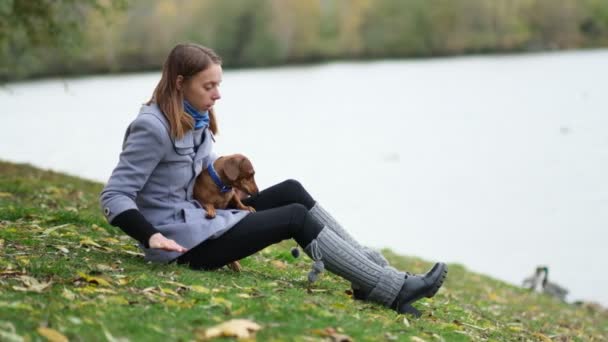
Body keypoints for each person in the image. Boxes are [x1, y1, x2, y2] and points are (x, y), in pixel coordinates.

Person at [99, 43, 447, 316]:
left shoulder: (197, 120)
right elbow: (115, 195)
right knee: (293, 216)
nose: (217, 94)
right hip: (183, 243)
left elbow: (206, 175)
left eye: (218, 84)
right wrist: (151, 236)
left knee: (291, 190)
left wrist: (231, 180)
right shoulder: (151, 127)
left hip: (208, 217)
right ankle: (393, 289)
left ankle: (369, 272)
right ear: (180, 83)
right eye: (209, 86)